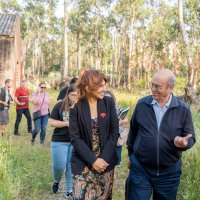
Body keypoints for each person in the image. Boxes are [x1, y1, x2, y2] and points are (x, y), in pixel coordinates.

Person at [126, 69, 196, 200]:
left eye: (157, 86)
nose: (153, 89)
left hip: (169, 173)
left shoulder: (183, 109)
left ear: (171, 88)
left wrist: (183, 144)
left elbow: (190, 137)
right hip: (141, 170)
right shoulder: (142, 104)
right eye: (152, 84)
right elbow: (133, 131)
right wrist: (131, 155)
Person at [69, 69, 119, 200]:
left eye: (104, 85)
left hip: (105, 163)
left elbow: (114, 133)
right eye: (101, 86)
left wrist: (102, 160)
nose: (104, 89)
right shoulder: (76, 107)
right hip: (83, 163)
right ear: (88, 88)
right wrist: (93, 161)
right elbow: (75, 138)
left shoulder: (108, 103)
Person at [49, 84, 77, 199]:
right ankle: (56, 181)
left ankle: (69, 190)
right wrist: (66, 124)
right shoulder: (60, 106)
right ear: (68, 94)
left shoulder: (81, 106)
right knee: (59, 166)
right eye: (72, 95)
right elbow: (51, 122)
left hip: (75, 141)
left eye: (77, 95)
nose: (74, 98)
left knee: (71, 166)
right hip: (60, 140)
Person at [104, 90, 129, 165]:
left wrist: (120, 121)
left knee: (117, 158)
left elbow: (126, 119)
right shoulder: (100, 108)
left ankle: (113, 172)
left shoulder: (117, 107)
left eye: (109, 98)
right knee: (107, 158)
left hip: (117, 136)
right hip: (106, 136)